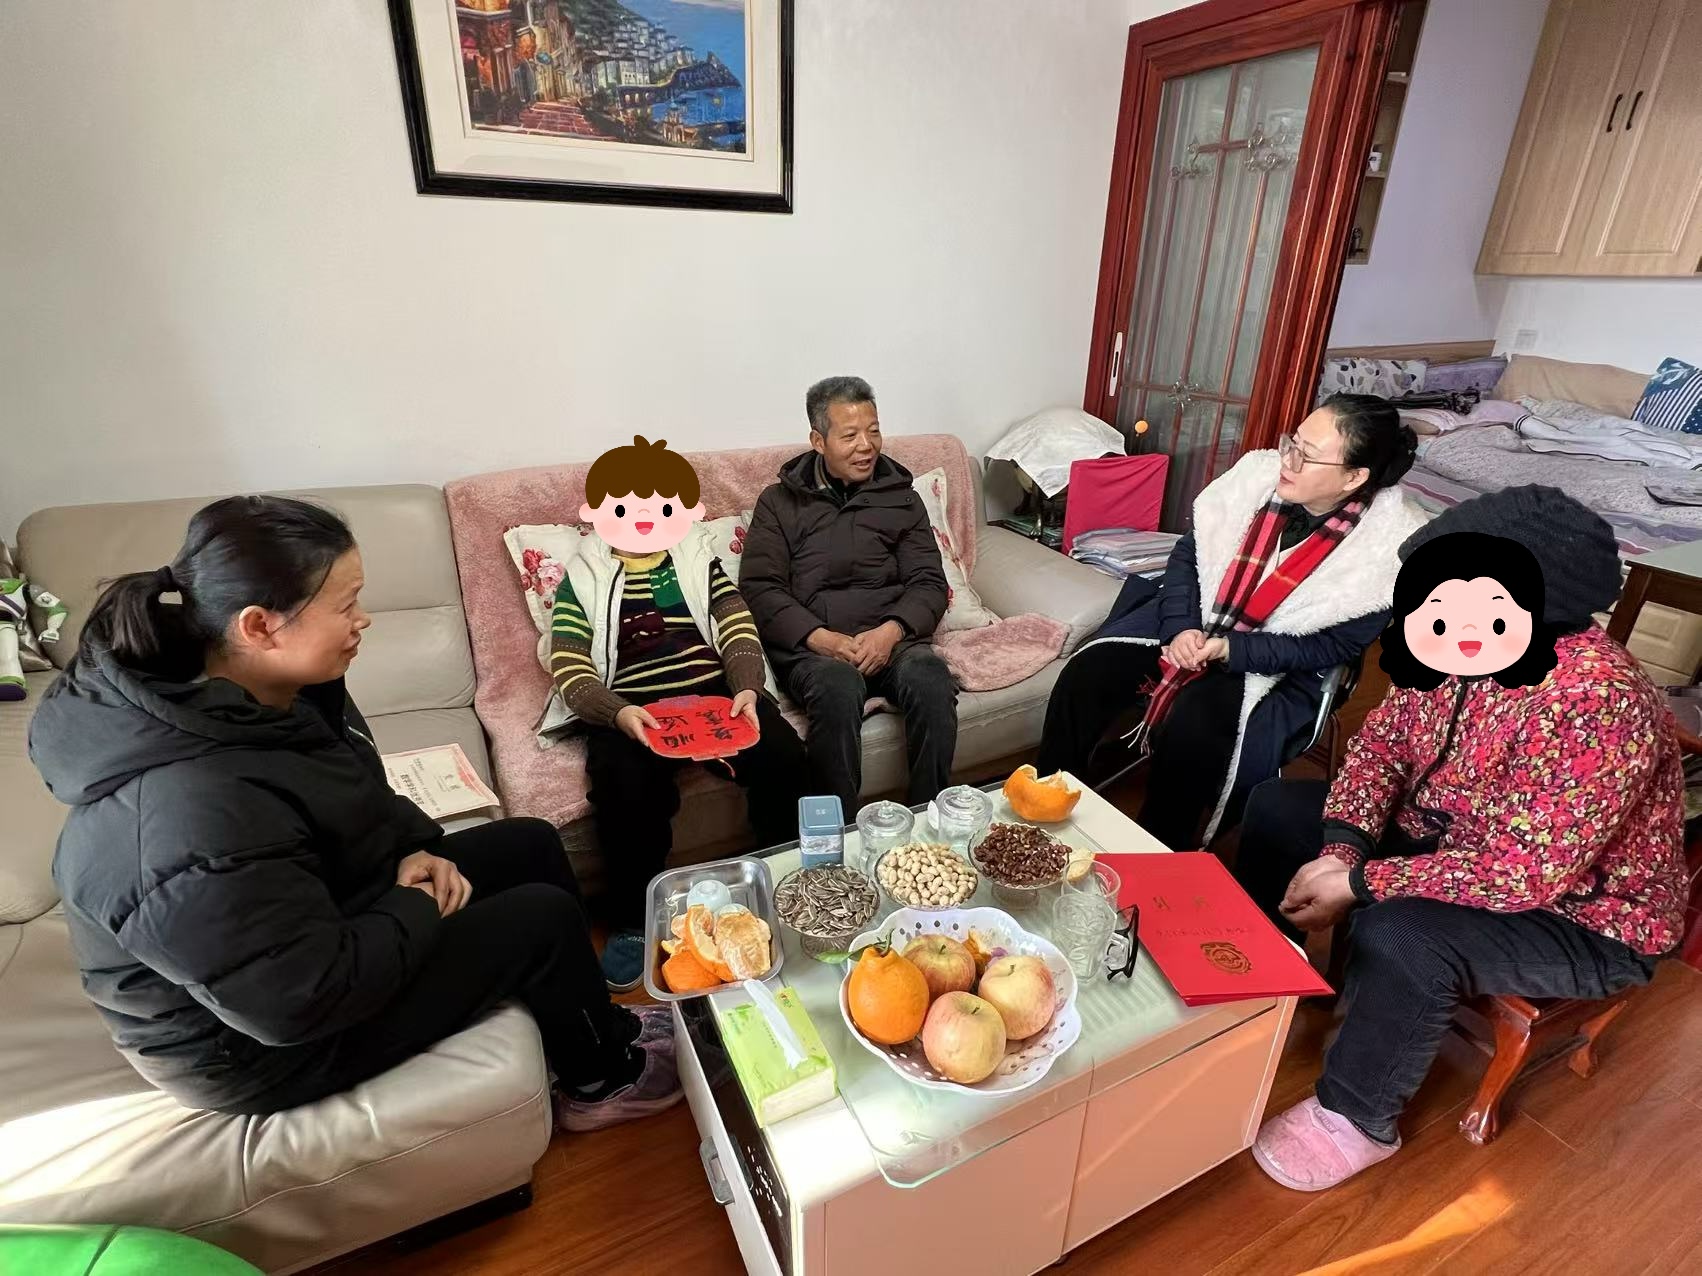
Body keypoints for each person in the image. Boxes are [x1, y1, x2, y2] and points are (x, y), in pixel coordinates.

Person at [28, 496, 678, 1129]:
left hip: (305, 918)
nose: (363, 620)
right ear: (259, 626)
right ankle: (602, 1081)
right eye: (345, 605)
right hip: (254, 1045)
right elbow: (295, 1002)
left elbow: (349, 794)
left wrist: (409, 848)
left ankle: (588, 1020)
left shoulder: (275, 693)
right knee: (540, 918)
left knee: (528, 844)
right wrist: (415, 904)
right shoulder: (189, 809)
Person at [1239, 486, 1688, 1191]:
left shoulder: (1599, 699)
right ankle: (1273, 981)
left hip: (1581, 916)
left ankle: (1357, 1116)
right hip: (1453, 842)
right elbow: (1381, 750)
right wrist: (1342, 851)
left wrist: (1360, 884)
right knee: (1278, 810)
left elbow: (1524, 873)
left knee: (1403, 932)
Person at [1036, 393, 1425, 849]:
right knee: (1089, 670)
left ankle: (1154, 849)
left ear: (1354, 477)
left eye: (1308, 455)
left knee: (1196, 722)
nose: (1288, 461)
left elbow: (1329, 648)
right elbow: (1188, 556)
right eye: (1292, 443)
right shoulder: (1253, 479)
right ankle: (1044, 802)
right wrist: (1180, 626)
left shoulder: (1388, 550)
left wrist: (1230, 649)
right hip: (1195, 620)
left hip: (1276, 664)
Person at [549, 435, 808, 990]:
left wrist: (747, 687)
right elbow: (568, 663)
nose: (645, 520)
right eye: (627, 510)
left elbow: (736, 623)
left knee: (785, 755)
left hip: (713, 693)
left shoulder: (695, 558)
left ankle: (783, 883)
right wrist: (615, 712)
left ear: (684, 511)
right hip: (631, 704)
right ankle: (633, 921)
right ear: (597, 513)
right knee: (624, 787)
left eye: (660, 509)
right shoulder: (583, 576)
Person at [740, 376, 958, 812]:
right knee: (837, 686)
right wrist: (822, 639)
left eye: (873, 431)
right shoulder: (779, 503)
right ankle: (841, 833)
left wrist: (891, 632)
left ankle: (928, 818)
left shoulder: (901, 498)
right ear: (818, 441)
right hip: (816, 650)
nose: (866, 446)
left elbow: (929, 582)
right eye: (850, 435)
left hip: (892, 641)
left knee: (931, 677)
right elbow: (761, 588)